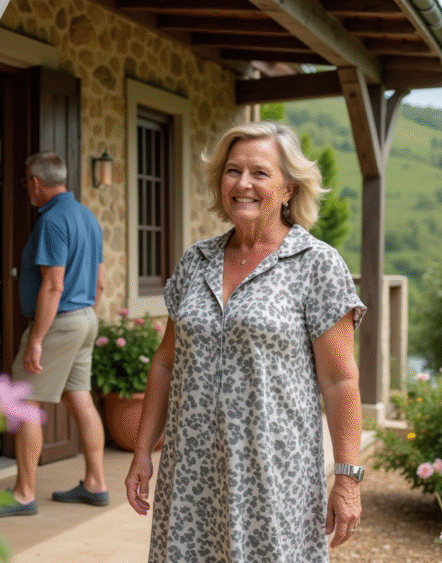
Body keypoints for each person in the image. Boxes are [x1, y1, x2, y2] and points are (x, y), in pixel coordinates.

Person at [125, 122, 366, 561]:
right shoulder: (196, 261)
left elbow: (340, 381)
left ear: (289, 188)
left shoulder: (317, 265)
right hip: (192, 474)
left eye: (260, 173)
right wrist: (143, 450)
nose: (243, 184)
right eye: (232, 171)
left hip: (275, 479)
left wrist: (347, 479)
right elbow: (165, 363)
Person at [0, 152, 109, 517]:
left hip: (60, 322)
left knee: (25, 404)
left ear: (36, 182)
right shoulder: (87, 217)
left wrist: (38, 338)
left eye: (27, 181)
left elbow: (53, 285)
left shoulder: (53, 221)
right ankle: (96, 483)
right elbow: (101, 282)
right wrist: (84, 317)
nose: (27, 187)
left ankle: (24, 494)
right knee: (80, 399)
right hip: (85, 316)